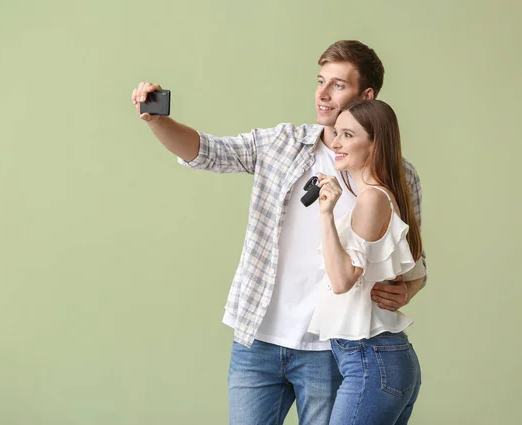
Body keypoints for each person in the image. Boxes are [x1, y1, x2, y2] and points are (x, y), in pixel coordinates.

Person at [131, 40, 427, 425]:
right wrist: (160, 121)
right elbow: (209, 152)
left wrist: (409, 288)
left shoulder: (397, 175)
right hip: (257, 339)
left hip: (330, 348)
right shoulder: (282, 143)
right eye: (320, 81)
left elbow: (413, 260)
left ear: (366, 96)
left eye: (338, 85)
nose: (322, 94)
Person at [308, 99, 425, 425]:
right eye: (336, 133)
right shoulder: (378, 197)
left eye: (348, 135)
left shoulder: (373, 198)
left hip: (370, 361)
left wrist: (326, 214)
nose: (335, 143)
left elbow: (343, 280)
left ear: (375, 145)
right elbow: (415, 269)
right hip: (376, 360)